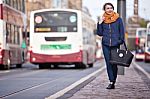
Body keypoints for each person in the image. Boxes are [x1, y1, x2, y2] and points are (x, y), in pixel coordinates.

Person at [97, 3, 125, 89]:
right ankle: (111, 81)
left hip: (115, 44)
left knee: (114, 63)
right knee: (108, 63)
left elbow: (122, 31)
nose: (109, 10)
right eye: (107, 8)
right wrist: (100, 23)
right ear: (104, 10)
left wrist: (120, 41)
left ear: (113, 9)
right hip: (105, 44)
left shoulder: (118, 19)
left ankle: (114, 79)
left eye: (111, 8)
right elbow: (100, 33)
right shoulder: (103, 20)